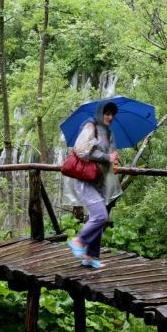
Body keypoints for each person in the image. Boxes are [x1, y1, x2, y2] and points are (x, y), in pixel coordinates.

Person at [67, 100, 122, 270]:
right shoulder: (90, 126)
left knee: (98, 217)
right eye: (107, 113)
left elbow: (108, 155)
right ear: (100, 113)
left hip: (99, 180)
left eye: (112, 114)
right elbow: (81, 150)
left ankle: (90, 257)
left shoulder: (109, 132)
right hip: (85, 179)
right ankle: (78, 241)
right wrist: (106, 158)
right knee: (100, 216)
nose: (110, 117)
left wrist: (114, 162)